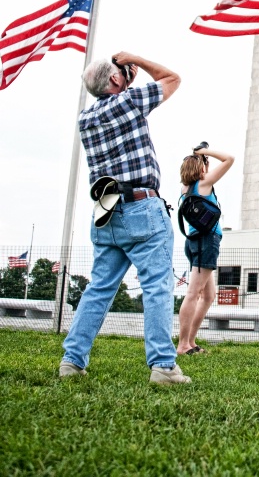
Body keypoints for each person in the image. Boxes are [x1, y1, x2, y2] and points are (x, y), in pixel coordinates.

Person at [60, 52, 191, 385]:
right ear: (117, 80)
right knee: (157, 287)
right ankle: (162, 365)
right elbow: (172, 79)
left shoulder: (85, 118)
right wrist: (134, 59)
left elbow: (113, 98)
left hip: (106, 208)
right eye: (121, 73)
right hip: (141, 206)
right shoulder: (129, 101)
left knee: (99, 288)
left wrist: (121, 77)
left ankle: (72, 361)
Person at [176, 145, 234, 355]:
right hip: (206, 242)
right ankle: (183, 345)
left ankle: (190, 342)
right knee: (193, 293)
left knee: (208, 296)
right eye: (205, 166)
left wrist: (200, 159)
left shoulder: (185, 188)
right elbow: (229, 159)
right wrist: (206, 152)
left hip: (195, 242)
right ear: (201, 169)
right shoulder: (204, 184)